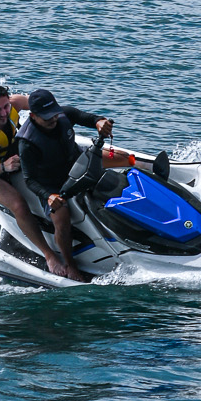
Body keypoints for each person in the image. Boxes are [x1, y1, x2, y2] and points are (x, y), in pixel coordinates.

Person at [18, 88, 136, 283]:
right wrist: (48, 196)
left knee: (126, 161)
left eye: (54, 114)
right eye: (47, 117)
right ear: (33, 116)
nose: (53, 119)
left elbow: (88, 118)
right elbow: (29, 179)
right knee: (62, 217)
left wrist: (99, 121)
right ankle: (70, 264)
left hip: (78, 164)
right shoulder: (26, 143)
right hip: (53, 184)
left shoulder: (64, 114)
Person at [0, 84, 71, 280]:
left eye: (5, 107)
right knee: (19, 205)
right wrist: (3, 167)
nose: (4, 113)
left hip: (10, 153)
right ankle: (49, 255)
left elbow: (45, 109)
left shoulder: (16, 103)